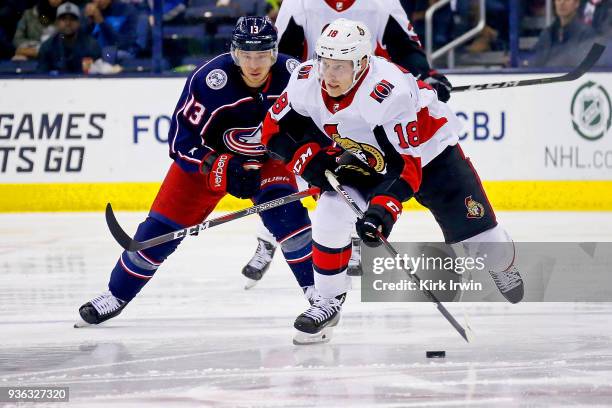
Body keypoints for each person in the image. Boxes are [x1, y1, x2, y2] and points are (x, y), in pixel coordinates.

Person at [262, 18, 524, 344]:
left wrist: (381, 214)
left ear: (361, 65)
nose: (329, 75)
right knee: (330, 212)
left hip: (430, 154)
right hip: (365, 154)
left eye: (340, 67)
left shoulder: (386, 92)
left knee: (483, 242)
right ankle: (328, 300)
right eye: (326, 63)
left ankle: (501, 264)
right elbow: (272, 129)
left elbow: (406, 169)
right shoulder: (305, 79)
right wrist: (307, 159)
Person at [75, 16, 316, 327]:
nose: (254, 65)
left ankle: (319, 294)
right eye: (246, 55)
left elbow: (316, 125)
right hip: (208, 163)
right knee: (156, 234)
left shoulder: (295, 76)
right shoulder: (210, 81)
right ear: (234, 53)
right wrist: (219, 167)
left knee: (289, 219)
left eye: (262, 56)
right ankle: (116, 294)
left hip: (269, 159)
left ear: (273, 53)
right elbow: (180, 140)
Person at [241, 0, 453, 285]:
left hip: (365, 110)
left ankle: (354, 242)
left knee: (359, 179)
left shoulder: (381, 3)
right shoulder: (299, 4)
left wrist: (424, 76)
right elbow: (283, 57)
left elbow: (405, 48)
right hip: (318, 106)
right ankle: (268, 239)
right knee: (290, 176)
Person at [37, 2, 101, 74]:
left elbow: (98, 75)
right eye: (63, 19)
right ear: (57, 22)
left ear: (79, 22)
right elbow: (41, 76)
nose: (68, 23)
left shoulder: (91, 45)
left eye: (72, 19)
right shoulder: (47, 46)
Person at [531, 0, 596, 67]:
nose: (562, 3)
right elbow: (535, 61)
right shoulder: (547, 34)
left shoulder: (586, 34)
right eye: (558, 0)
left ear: (576, 3)